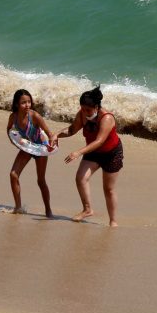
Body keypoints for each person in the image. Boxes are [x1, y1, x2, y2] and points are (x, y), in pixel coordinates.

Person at [54, 86, 122, 227]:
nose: (85, 113)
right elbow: (72, 129)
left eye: (88, 110)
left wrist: (78, 152)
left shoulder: (107, 118)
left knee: (108, 189)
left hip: (111, 153)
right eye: (83, 109)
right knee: (80, 178)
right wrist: (57, 134)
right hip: (93, 151)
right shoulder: (82, 114)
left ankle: (113, 222)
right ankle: (87, 209)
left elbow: (99, 141)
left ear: (96, 107)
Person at [6, 89, 55, 217]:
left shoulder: (34, 116)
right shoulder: (14, 117)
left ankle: (48, 210)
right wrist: (14, 142)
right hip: (27, 148)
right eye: (23, 102)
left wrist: (51, 145)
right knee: (13, 175)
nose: (27, 105)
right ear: (17, 104)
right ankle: (18, 207)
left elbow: (50, 134)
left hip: (40, 148)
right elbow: (9, 130)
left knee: (40, 180)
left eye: (29, 102)